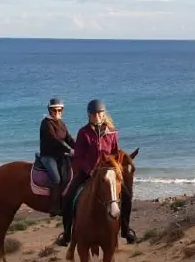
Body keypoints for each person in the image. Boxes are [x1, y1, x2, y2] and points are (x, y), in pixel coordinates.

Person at [56, 99, 137, 246]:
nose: (97, 117)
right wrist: (90, 170)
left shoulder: (112, 132)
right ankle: (67, 234)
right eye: (93, 114)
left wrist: (115, 170)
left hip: (108, 173)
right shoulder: (83, 133)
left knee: (126, 196)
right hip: (88, 173)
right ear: (89, 115)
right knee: (67, 197)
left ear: (104, 114)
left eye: (99, 113)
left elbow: (115, 154)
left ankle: (126, 230)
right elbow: (79, 157)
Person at [39, 97, 75, 216]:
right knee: (56, 178)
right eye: (54, 111)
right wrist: (69, 150)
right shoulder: (46, 123)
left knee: (68, 175)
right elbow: (55, 140)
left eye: (59, 110)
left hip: (60, 155)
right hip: (48, 156)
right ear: (50, 111)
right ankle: (54, 207)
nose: (57, 113)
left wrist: (78, 147)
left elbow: (68, 138)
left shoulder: (61, 123)